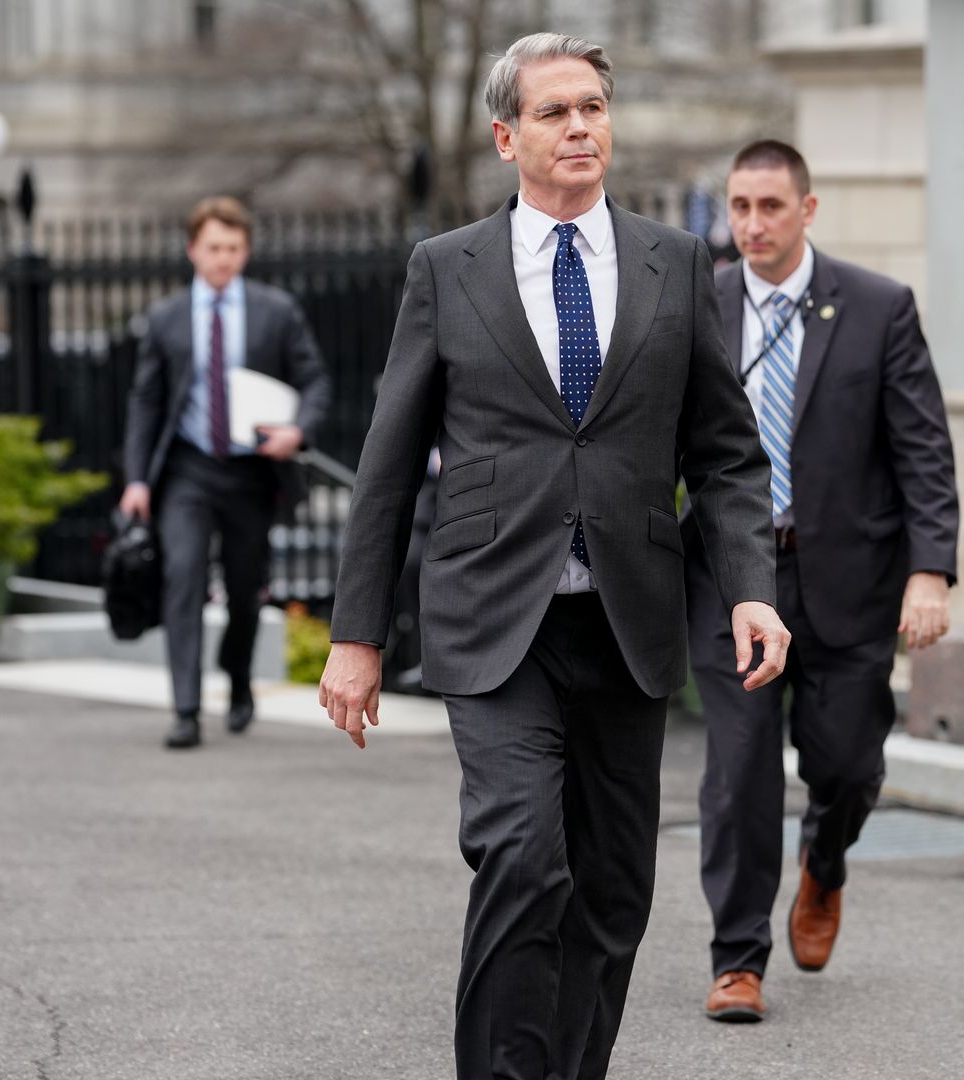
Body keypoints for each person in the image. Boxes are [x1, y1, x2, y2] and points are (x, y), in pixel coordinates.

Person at [319, 33, 791, 1080]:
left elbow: (725, 454)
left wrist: (751, 592)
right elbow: (388, 465)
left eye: (592, 108)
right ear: (506, 136)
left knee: (613, 889)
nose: (580, 126)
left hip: (625, 622)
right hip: (496, 624)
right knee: (525, 859)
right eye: (554, 112)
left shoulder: (678, 262)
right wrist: (357, 636)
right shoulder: (448, 270)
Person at [692, 140, 959, 1023]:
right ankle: (738, 960)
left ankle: (827, 860)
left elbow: (922, 448)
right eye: (739, 207)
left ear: (807, 210)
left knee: (844, 764)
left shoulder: (878, 307)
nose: (754, 224)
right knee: (738, 773)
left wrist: (929, 571)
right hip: (733, 577)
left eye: (771, 206)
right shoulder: (700, 302)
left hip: (846, 574)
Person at [121, 196, 333, 750]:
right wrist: (137, 480)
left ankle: (237, 675)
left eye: (234, 248)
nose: (223, 258)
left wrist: (298, 431)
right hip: (187, 469)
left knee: (245, 590)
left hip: (250, 471)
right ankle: (186, 710)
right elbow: (145, 402)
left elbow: (316, 382)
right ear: (193, 249)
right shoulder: (166, 317)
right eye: (214, 247)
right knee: (184, 576)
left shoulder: (276, 311)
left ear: (246, 251)